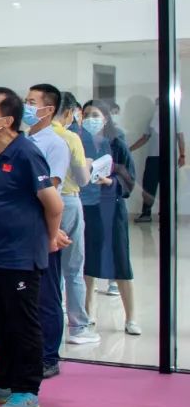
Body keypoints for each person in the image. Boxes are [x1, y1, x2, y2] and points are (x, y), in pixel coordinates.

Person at [0, 87, 68, 407]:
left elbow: (54, 204)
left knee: (23, 324)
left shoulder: (26, 153)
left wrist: (51, 238)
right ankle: (4, 381)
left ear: (7, 120)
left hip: (22, 256)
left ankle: (27, 390)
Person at [23, 84, 71, 379]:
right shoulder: (23, 140)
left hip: (43, 226)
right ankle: (28, 353)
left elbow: (50, 186)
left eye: (32, 102)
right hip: (21, 227)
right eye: (25, 101)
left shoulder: (55, 144)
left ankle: (49, 357)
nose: (26, 107)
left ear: (48, 109)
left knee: (47, 295)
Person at [80, 100, 140, 335]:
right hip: (87, 208)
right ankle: (88, 312)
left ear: (105, 119)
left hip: (112, 210)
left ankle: (131, 317)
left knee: (120, 262)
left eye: (95, 115)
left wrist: (110, 182)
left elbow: (129, 179)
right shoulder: (79, 143)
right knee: (88, 262)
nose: (90, 119)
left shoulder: (117, 145)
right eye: (86, 114)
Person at [51, 92, 100, 346]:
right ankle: (78, 327)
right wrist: (89, 166)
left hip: (41, 202)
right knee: (73, 267)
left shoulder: (35, 136)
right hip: (68, 201)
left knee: (48, 267)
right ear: (70, 112)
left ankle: (50, 319)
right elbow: (82, 179)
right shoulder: (70, 137)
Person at [131, 97, 186, 223]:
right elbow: (145, 138)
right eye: (157, 103)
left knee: (169, 187)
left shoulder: (174, 118)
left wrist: (182, 155)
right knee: (148, 186)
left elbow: (180, 137)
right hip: (153, 158)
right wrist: (129, 149)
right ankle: (146, 213)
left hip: (169, 158)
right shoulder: (152, 120)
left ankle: (168, 214)